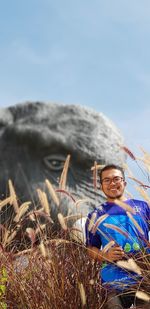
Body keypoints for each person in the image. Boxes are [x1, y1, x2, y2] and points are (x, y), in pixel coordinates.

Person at [85, 164, 150, 309]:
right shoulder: (95, 215)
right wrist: (105, 255)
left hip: (144, 277)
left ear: (124, 182)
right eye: (106, 180)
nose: (112, 183)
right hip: (112, 281)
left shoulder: (143, 207)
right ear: (101, 185)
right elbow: (90, 248)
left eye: (116, 179)